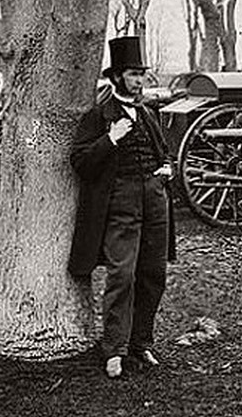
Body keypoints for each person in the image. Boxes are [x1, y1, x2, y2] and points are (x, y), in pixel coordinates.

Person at [68, 36, 175, 379]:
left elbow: (164, 152)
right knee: (122, 276)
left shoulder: (147, 113)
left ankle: (141, 343)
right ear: (116, 77)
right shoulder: (99, 116)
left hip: (155, 202)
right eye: (133, 74)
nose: (140, 81)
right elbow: (80, 161)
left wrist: (167, 168)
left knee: (153, 274)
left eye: (142, 74)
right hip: (120, 205)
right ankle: (113, 349)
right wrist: (111, 138)